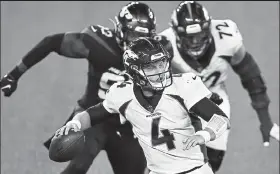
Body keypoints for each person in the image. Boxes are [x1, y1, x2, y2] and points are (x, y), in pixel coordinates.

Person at [0, 2, 171, 174]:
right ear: (120, 31)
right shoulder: (100, 44)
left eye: (142, 38)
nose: (136, 43)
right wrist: (14, 75)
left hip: (129, 129)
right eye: (133, 35)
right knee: (77, 168)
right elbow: (51, 42)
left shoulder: (158, 56)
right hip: (92, 119)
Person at [54, 37, 230, 174]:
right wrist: (75, 124)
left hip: (195, 171)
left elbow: (221, 118)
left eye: (162, 64)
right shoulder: (122, 94)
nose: (160, 71)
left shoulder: (183, 87)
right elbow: (93, 114)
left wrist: (205, 135)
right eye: (152, 67)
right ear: (135, 71)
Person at [160, 1, 279, 173]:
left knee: (212, 159)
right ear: (176, 34)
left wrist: (265, 119)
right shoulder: (163, 46)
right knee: (166, 156)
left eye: (199, 36)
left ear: (209, 29)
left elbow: (250, 76)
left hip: (214, 94)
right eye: (189, 38)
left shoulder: (227, 39)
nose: (194, 42)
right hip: (177, 100)